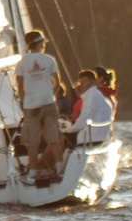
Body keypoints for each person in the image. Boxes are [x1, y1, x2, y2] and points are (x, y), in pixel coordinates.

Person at [15, 30, 62, 183]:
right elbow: (57, 83)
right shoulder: (49, 60)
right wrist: (51, 95)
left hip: (31, 106)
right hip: (48, 103)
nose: (44, 45)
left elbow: (20, 86)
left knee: (32, 142)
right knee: (53, 138)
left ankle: (33, 171)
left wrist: (24, 101)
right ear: (38, 43)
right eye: (43, 42)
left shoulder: (22, 62)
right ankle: (60, 167)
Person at [70, 69, 117, 148]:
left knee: (61, 137)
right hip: (103, 134)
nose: (81, 85)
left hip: (92, 137)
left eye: (84, 82)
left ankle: (58, 160)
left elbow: (81, 121)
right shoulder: (102, 96)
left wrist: (67, 130)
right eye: (80, 82)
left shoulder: (92, 97)